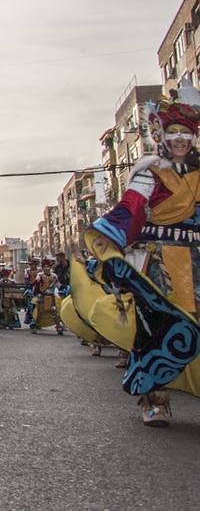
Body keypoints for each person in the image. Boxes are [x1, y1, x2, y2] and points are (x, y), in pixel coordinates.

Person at [82, 87, 200, 427]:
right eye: (173, 133)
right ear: (162, 135)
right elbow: (131, 209)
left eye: (186, 134)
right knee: (157, 327)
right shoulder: (150, 172)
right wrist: (109, 240)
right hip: (160, 262)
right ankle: (155, 399)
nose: (179, 139)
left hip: (197, 260)